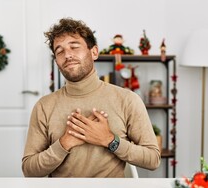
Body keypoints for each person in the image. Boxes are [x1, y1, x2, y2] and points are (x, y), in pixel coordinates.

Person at [22, 17, 160, 177]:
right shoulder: (44, 106)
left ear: (94, 52)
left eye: (74, 47)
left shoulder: (127, 100)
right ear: (57, 61)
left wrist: (109, 140)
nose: (67, 55)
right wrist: (64, 143)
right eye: (59, 51)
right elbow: (29, 169)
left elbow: (153, 159)